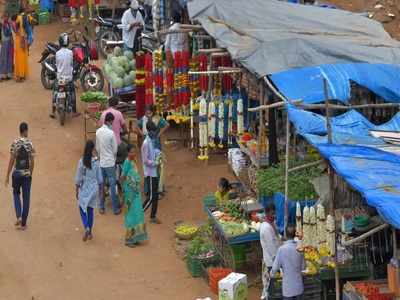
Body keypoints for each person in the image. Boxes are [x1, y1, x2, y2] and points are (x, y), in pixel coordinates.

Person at [5, 122, 35, 230]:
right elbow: (32, 162)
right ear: (26, 131)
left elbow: (11, 160)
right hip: (26, 174)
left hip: (17, 173)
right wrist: (30, 174)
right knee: (26, 198)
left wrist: (7, 175)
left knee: (16, 193)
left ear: (19, 131)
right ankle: (23, 224)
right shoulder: (30, 144)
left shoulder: (15, 143)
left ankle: (18, 216)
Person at [75, 140, 103, 242]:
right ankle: (90, 232)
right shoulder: (96, 161)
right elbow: (100, 178)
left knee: (82, 208)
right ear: (92, 149)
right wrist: (100, 191)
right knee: (90, 209)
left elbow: (78, 178)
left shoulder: (82, 161)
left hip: (85, 187)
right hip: (94, 188)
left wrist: (77, 189)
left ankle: (86, 227)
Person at [137, 104, 169, 195]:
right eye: (146, 112)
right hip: (148, 143)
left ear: (153, 111)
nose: (148, 114)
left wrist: (159, 134)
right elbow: (137, 126)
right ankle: (149, 189)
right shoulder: (143, 119)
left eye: (149, 112)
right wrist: (142, 134)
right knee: (148, 167)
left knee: (157, 166)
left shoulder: (158, 118)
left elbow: (167, 125)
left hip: (156, 144)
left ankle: (158, 188)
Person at [121, 144, 148, 247]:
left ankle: (135, 237)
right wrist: (124, 191)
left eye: (134, 151)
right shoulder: (127, 162)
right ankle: (128, 239)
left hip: (136, 193)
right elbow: (122, 176)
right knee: (131, 215)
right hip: (130, 194)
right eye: (131, 152)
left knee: (137, 214)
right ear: (127, 153)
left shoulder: (133, 160)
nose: (133, 153)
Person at [271, 226, 306, 300]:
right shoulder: (300, 248)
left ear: (285, 235)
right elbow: (303, 267)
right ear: (294, 235)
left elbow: (274, 268)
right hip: (299, 287)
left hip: (288, 288)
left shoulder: (281, 249)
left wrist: (271, 274)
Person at [96, 112, 121, 215]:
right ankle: (115, 209)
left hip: (102, 163)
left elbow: (97, 148)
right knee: (112, 185)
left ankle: (101, 207)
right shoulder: (111, 134)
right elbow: (115, 150)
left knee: (102, 186)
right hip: (110, 163)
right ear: (110, 121)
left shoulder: (98, 132)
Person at [50, 32, 79, 118]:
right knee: (72, 93)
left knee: (55, 92)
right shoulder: (70, 52)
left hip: (60, 78)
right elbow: (71, 64)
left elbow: (57, 64)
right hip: (68, 79)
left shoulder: (57, 53)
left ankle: (53, 111)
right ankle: (74, 112)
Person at [142, 120, 162, 224]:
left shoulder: (151, 140)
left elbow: (153, 151)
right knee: (151, 197)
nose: (155, 133)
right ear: (149, 131)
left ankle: (153, 216)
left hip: (154, 172)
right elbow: (145, 160)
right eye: (153, 131)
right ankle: (139, 214)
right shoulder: (146, 143)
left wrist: (159, 153)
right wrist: (155, 163)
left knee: (155, 196)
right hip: (150, 173)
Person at [260, 202, 281, 300]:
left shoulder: (272, 223)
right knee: (271, 285)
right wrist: (279, 262)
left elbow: (277, 237)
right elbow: (272, 249)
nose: (274, 215)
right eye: (272, 214)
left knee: (271, 284)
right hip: (271, 261)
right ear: (267, 213)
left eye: (275, 213)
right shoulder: (266, 228)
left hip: (274, 259)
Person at [13, 10, 32, 82]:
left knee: (19, 58)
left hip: (19, 41)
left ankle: (20, 75)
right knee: (23, 58)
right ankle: (22, 75)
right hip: (23, 40)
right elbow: (24, 31)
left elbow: (18, 31)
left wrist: (22, 41)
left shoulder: (18, 20)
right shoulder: (23, 18)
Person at [0, 13, 14, 81]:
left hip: (9, 42)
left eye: (7, 17)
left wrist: (12, 40)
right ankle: (3, 74)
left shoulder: (8, 24)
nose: (6, 18)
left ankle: (8, 74)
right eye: (5, 17)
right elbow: (5, 33)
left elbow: (11, 33)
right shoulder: (3, 25)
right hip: (4, 42)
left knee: (9, 58)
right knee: (3, 58)